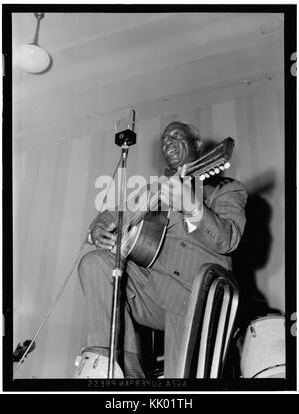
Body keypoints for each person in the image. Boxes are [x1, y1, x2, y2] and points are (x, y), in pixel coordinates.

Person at [75, 121, 247, 378]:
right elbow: (114, 214)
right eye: (164, 139)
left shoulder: (226, 189)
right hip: (152, 291)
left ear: (197, 145)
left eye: (176, 135)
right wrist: (98, 226)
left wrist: (192, 207)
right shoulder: (152, 191)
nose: (167, 142)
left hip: (196, 294)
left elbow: (228, 239)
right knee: (95, 262)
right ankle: (113, 366)